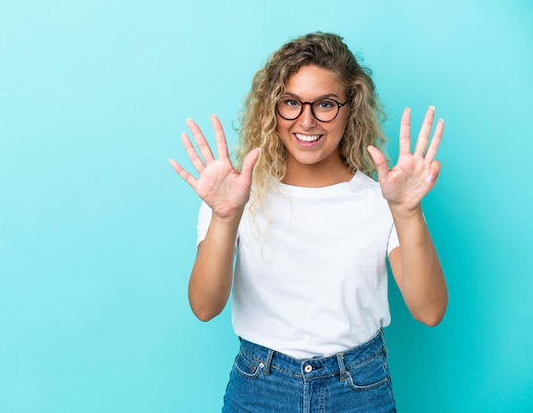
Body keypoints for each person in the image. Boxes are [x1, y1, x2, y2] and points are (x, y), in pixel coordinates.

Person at [169, 32, 447, 413]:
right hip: (259, 387)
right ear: (272, 108)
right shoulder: (233, 194)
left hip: (359, 389)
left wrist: (408, 213)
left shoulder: (384, 199)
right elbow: (204, 306)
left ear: (350, 107)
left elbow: (429, 311)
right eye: (291, 103)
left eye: (326, 104)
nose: (307, 120)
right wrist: (225, 216)